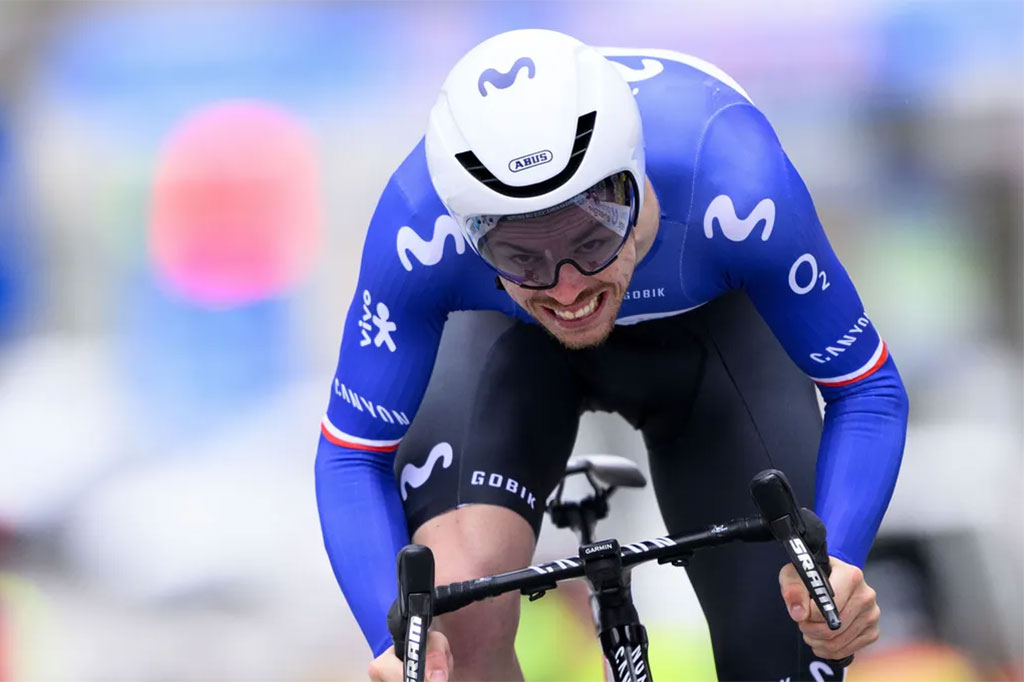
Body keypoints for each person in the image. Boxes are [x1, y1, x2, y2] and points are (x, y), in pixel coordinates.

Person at [315, 29, 909, 682]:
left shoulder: (735, 180)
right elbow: (350, 454)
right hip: (508, 341)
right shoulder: (416, 225)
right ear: (468, 230)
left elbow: (868, 389)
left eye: (591, 239)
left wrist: (840, 563)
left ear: (635, 178)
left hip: (708, 330)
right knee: (453, 625)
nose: (567, 289)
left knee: (798, 616)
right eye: (520, 255)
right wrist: (392, 638)